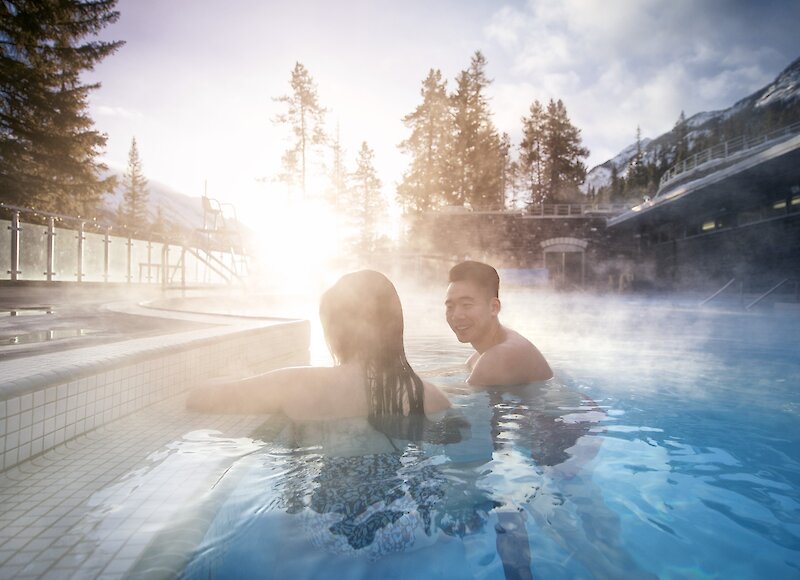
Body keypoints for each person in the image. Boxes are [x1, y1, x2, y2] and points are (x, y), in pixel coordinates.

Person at [187, 270, 451, 421]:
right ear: (395, 327)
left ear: (336, 330)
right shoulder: (430, 398)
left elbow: (198, 399)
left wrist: (236, 380)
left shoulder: (296, 384)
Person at [445, 260, 552, 385]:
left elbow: (454, 398)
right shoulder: (480, 356)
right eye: (450, 306)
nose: (456, 315)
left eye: (466, 305)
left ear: (493, 308)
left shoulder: (499, 358)